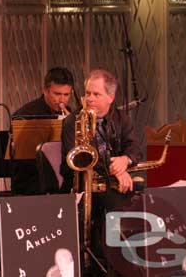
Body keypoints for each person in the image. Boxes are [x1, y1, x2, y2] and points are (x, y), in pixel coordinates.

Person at [60, 69, 143, 272]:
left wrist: (126, 159)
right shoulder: (73, 121)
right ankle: (115, 262)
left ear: (111, 97)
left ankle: (134, 259)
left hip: (113, 182)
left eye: (96, 94)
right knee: (116, 202)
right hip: (82, 184)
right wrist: (117, 171)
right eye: (87, 93)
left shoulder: (122, 118)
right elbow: (81, 157)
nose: (89, 99)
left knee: (142, 197)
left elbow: (134, 148)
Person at [12, 67, 75, 195]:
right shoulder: (25, 114)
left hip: (63, 173)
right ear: (45, 91)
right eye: (57, 94)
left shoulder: (72, 114)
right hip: (32, 176)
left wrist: (72, 125)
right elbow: (19, 159)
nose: (62, 100)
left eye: (66, 95)